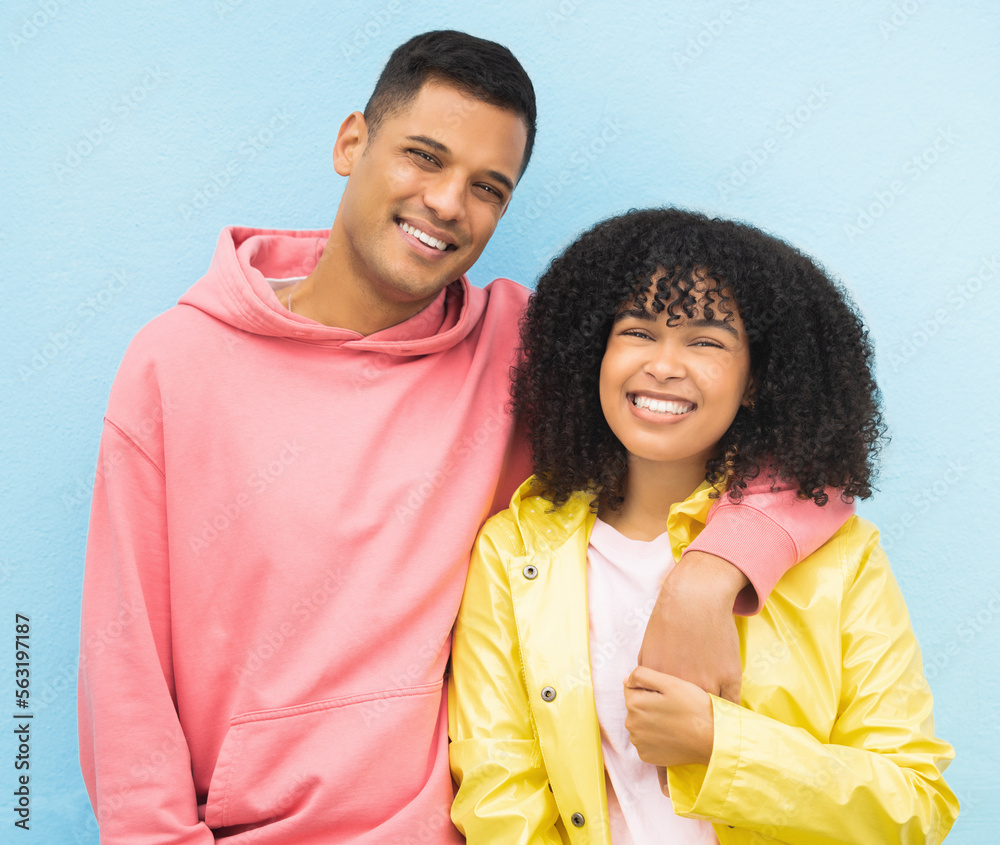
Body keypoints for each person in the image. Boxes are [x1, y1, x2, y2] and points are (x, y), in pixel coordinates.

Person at [78, 32, 848, 845]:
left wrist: (710, 576)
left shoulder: (522, 349)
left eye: (488, 187)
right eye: (423, 157)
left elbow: (784, 445)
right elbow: (121, 657)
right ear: (352, 143)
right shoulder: (177, 363)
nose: (448, 203)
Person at [449, 208, 959, 843]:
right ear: (595, 354)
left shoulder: (841, 558)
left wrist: (722, 743)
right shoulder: (514, 551)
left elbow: (916, 806)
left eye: (707, 341)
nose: (664, 365)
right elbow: (500, 795)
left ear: (755, 382)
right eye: (637, 331)